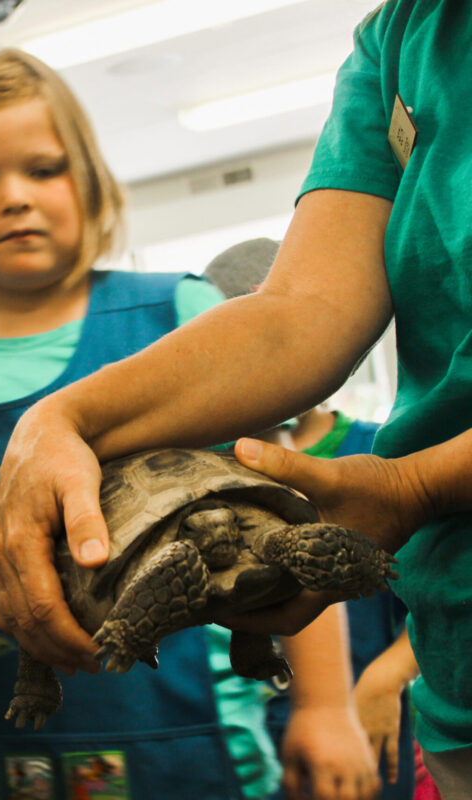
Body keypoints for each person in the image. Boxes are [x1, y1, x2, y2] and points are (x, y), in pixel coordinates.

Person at [0, 1, 472, 795]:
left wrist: (414, 487)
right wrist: (60, 422)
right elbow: (300, 313)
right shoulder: (400, 39)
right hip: (459, 669)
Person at [0, 48, 297, 800]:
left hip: (192, 742)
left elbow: (280, 506)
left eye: (43, 169)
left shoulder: (178, 314)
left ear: (89, 181)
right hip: (7, 753)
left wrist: (324, 706)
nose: (14, 198)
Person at [205, 238, 412, 800]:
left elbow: (447, 595)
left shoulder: (382, 458)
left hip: (368, 731)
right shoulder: (213, 483)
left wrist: (385, 677)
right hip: (260, 747)